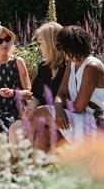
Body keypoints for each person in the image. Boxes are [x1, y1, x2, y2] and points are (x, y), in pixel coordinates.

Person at [8, 21, 66, 152]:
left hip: (58, 119)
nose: (38, 47)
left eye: (40, 43)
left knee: (35, 133)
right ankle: (20, 167)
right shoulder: (44, 67)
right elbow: (36, 95)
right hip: (39, 118)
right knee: (15, 127)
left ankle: (23, 165)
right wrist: (29, 110)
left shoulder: (68, 68)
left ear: (51, 43)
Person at [51, 24, 104, 144]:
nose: (59, 51)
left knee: (41, 113)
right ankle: (33, 162)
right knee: (45, 133)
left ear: (69, 48)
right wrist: (58, 109)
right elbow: (61, 93)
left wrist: (61, 110)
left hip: (97, 123)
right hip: (80, 118)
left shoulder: (91, 66)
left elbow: (79, 107)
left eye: (59, 47)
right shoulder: (72, 64)